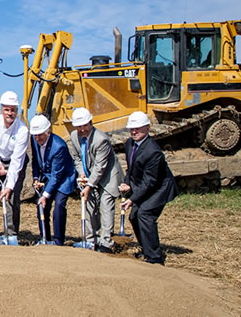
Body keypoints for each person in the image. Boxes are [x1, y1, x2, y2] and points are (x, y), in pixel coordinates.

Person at [119, 111, 178, 265]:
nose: (134, 132)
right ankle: (146, 249)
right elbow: (131, 168)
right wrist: (127, 183)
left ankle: (155, 258)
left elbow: (150, 182)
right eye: (131, 129)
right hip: (145, 186)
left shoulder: (153, 152)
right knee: (134, 216)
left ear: (147, 128)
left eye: (137, 128)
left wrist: (132, 199)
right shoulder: (130, 143)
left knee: (145, 214)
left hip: (160, 188)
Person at [68, 107, 123, 252]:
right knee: (89, 205)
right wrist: (82, 174)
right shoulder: (74, 136)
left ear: (91, 123)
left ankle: (106, 242)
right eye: (79, 126)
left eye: (84, 126)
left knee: (105, 206)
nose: (82, 129)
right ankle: (91, 240)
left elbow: (100, 167)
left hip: (108, 176)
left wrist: (89, 185)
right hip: (89, 175)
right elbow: (77, 158)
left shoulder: (101, 139)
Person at [0, 91, 29, 244]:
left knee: (12, 197)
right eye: (7, 109)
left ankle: (11, 233)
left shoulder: (22, 130)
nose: (10, 113)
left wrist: (9, 186)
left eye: (13, 110)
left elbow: (17, 161)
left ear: (17, 111)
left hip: (15, 161)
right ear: (1, 109)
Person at [30, 114, 76, 246]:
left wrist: (45, 194)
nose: (37, 138)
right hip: (47, 177)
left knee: (59, 206)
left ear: (48, 132)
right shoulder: (34, 140)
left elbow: (57, 176)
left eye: (40, 135)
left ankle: (58, 241)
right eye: (35, 135)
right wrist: (36, 178)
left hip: (63, 178)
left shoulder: (59, 146)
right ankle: (45, 238)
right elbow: (35, 160)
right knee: (42, 207)